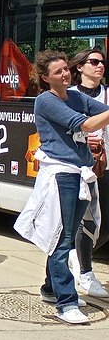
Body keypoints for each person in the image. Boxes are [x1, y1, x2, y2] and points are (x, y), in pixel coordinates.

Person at [16, 50, 109, 325]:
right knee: (61, 240)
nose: (65, 74)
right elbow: (84, 123)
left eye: (66, 70)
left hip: (80, 174)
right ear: (45, 78)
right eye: (58, 72)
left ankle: (50, 289)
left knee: (65, 235)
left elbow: (100, 113)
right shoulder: (46, 101)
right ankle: (66, 303)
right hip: (59, 175)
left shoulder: (76, 96)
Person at [67, 48, 109, 298]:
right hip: (77, 166)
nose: (99, 66)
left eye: (102, 62)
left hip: (104, 165)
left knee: (104, 227)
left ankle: (76, 253)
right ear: (80, 67)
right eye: (93, 62)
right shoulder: (68, 96)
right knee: (86, 221)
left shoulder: (107, 94)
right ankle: (86, 273)